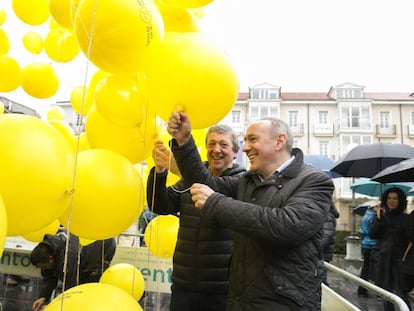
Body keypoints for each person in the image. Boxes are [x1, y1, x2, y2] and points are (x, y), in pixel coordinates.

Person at [166, 111, 334, 310]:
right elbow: (205, 183)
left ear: (279, 141)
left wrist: (215, 203)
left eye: (252, 139)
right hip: (242, 300)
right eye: (244, 140)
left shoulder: (314, 181)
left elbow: (287, 226)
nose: (244, 148)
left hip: (284, 303)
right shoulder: (247, 180)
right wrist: (184, 140)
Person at [146, 124, 245, 311]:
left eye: (223, 145)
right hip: (184, 285)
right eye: (211, 144)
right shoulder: (189, 179)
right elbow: (160, 205)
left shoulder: (242, 181)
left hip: (222, 289)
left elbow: (211, 185)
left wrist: (181, 168)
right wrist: (160, 172)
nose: (216, 149)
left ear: (235, 152)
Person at [30, 231, 116, 311]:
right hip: (84, 249)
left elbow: (71, 289)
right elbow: (49, 277)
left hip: (104, 245)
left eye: (44, 267)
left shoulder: (68, 259)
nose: (44, 269)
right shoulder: (47, 250)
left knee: (89, 287)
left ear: (51, 259)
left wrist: (53, 307)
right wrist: (43, 297)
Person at [368, 187, 413, 311]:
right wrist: (378, 219)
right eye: (389, 198)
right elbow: (372, 234)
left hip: (401, 262)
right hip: (384, 261)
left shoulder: (406, 218)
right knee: (386, 294)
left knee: (402, 294)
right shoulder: (381, 216)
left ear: (400, 201)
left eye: (395, 198)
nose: (391, 201)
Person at [357, 204, 378, 297]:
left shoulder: (366, 215)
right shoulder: (374, 217)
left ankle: (362, 289)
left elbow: (363, 231)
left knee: (365, 268)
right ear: (375, 207)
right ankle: (378, 292)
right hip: (372, 244)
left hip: (365, 244)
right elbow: (373, 231)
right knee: (375, 269)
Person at [322, 201, 340, 286]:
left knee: (322, 279)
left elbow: (326, 235)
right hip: (324, 253)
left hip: (322, 253)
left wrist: (315, 247)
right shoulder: (326, 213)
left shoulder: (327, 215)